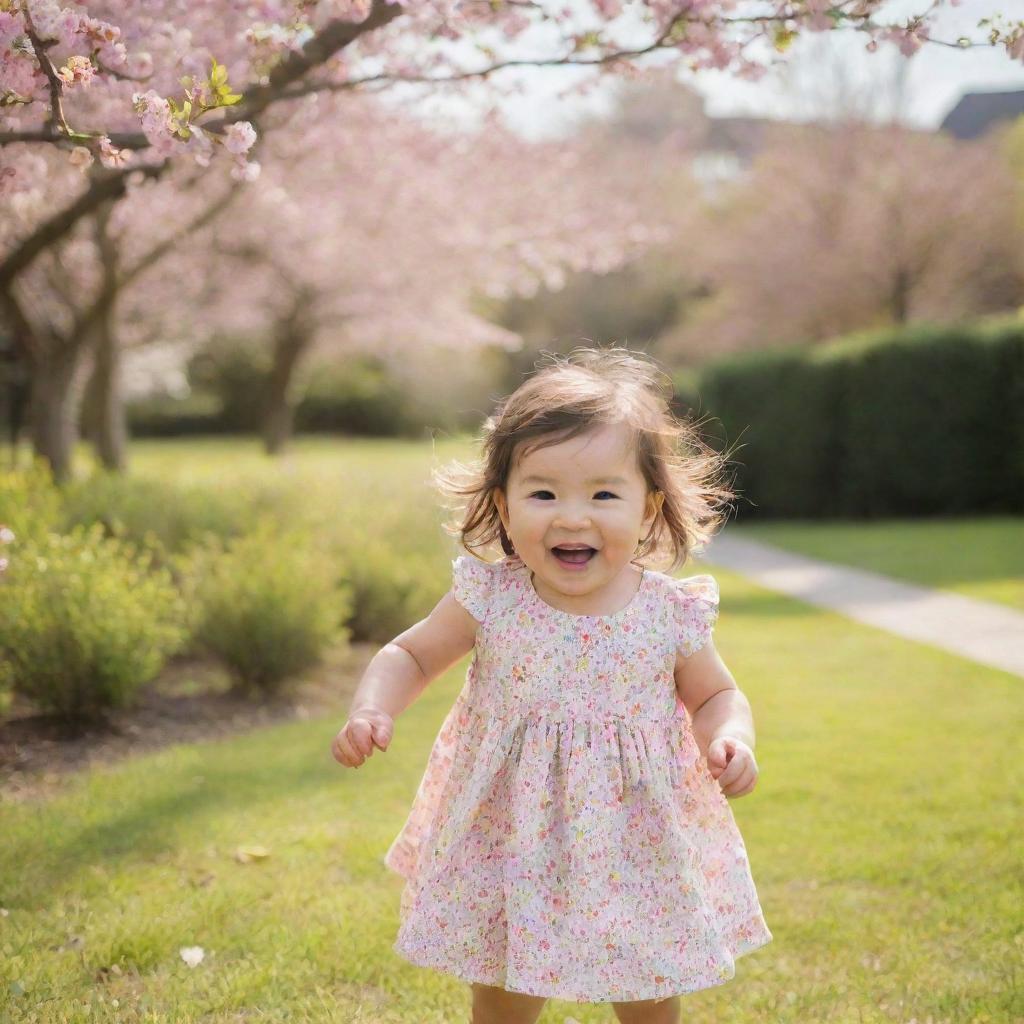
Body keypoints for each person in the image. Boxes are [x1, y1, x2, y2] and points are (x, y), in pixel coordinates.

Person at [330, 346, 773, 1024]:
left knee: (649, 977)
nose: (572, 516)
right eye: (543, 492)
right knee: (503, 982)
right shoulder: (493, 599)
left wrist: (730, 738)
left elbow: (715, 694)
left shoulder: (666, 612)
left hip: (637, 835)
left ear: (648, 509)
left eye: (603, 493)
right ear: (503, 508)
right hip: (513, 833)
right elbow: (412, 655)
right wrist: (372, 707)